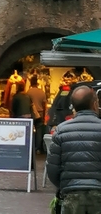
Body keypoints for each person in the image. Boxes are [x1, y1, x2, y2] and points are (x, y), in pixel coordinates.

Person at [47, 84, 101, 213]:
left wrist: (63, 186)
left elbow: (52, 168)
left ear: (73, 107)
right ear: (94, 104)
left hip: (71, 192)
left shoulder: (61, 130)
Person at [27, 76, 48, 153]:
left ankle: (31, 147)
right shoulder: (41, 92)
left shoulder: (28, 92)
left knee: (30, 130)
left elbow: (28, 103)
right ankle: (38, 148)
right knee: (39, 131)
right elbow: (44, 104)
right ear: (37, 83)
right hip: (40, 113)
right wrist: (44, 115)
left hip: (31, 113)